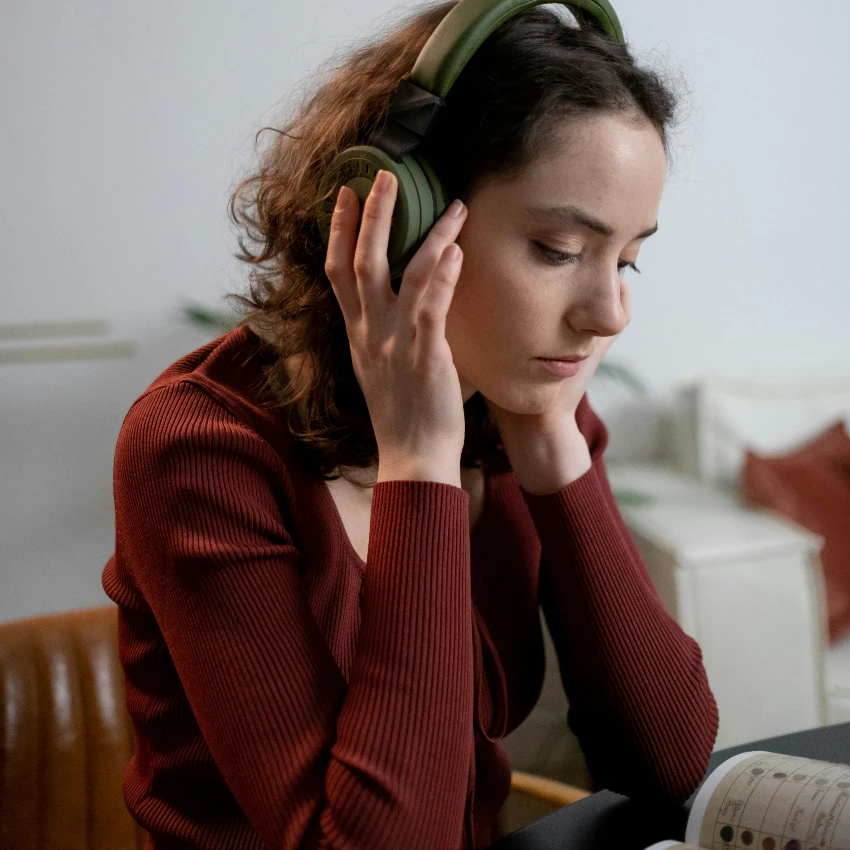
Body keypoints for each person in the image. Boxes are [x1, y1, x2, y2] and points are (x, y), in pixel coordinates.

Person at [102, 2, 719, 848]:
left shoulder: (520, 403)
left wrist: (549, 444)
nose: (609, 313)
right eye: (560, 250)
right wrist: (421, 463)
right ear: (401, 225)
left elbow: (668, 761)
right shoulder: (200, 452)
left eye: (629, 259)